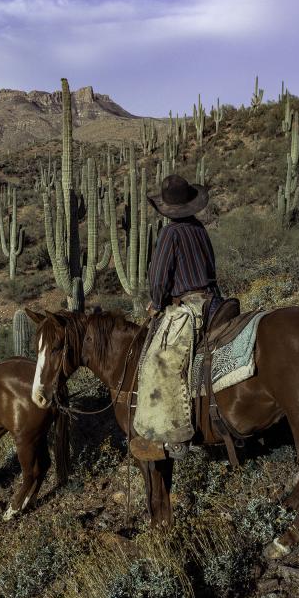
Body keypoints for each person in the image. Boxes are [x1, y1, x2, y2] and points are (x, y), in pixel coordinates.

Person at [130, 174, 218, 461]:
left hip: (189, 308)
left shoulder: (170, 234)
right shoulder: (199, 229)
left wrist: (156, 304)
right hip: (214, 300)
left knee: (158, 363)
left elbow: (158, 278)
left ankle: (176, 437)